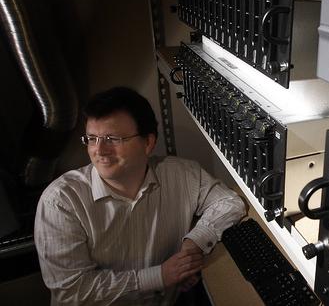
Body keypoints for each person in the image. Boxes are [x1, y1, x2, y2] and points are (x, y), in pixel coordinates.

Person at [34, 87, 246, 305]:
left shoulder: (182, 174)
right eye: (92, 138)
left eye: (112, 138)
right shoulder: (60, 201)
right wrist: (162, 276)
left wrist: (194, 244)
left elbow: (230, 203)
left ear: (148, 143)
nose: (99, 150)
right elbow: (73, 293)